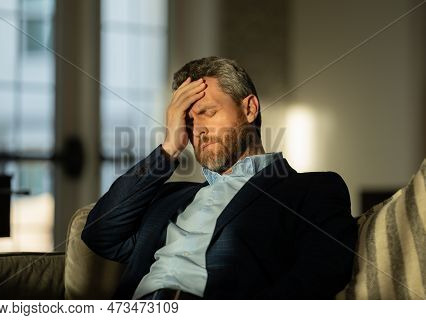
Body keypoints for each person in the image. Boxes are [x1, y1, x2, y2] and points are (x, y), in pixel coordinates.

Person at [81, 56, 358, 300]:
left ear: (249, 108)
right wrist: (169, 149)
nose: (197, 129)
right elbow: (100, 233)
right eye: (187, 121)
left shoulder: (311, 189)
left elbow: (323, 270)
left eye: (208, 112)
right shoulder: (168, 199)